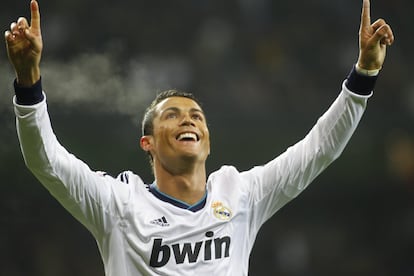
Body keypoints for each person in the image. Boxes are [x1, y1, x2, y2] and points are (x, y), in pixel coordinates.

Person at [5, 0, 394, 275]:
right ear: (149, 143)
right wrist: (28, 82)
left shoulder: (241, 194)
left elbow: (317, 150)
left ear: (206, 137)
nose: (187, 121)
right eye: (171, 116)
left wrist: (363, 75)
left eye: (195, 116)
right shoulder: (118, 205)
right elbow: (47, 162)